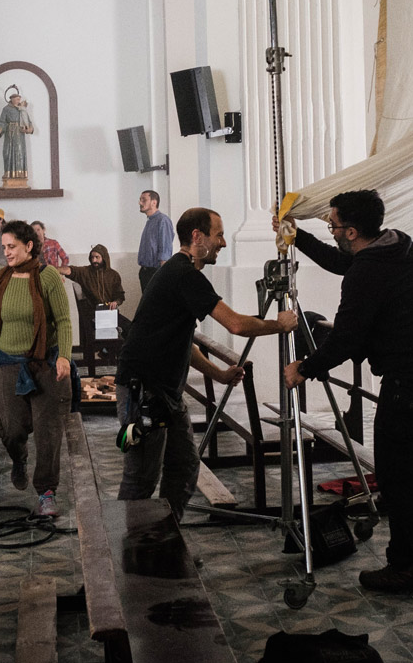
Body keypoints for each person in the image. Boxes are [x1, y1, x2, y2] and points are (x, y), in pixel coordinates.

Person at [280, 189, 413, 594]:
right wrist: (299, 237)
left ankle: (404, 565)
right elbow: (346, 261)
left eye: (334, 225)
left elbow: (346, 339)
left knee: (395, 477)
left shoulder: (371, 269)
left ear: (354, 230)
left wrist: (303, 369)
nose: (332, 230)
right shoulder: (396, 245)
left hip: (412, 383)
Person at [116, 207, 297, 521]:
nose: (223, 243)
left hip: (165, 393)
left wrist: (219, 374)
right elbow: (236, 325)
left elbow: (181, 342)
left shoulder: (183, 273)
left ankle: (163, 538)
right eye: (219, 235)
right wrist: (279, 325)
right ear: (196, 237)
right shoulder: (183, 274)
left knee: (184, 467)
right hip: (143, 391)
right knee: (141, 477)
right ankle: (125, 555)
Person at [0, 220, 73, 517]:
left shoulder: (48, 276)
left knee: (48, 431)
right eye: (4, 248)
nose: (6, 253)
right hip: (5, 363)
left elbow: (64, 321)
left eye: (11, 247)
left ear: (29, 246)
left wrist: (64, 356)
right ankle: (19, 458)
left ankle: (46, 492)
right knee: (12, 430)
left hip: (44, 363)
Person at [57, 244, 124, 314]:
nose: (94, 260)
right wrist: (54, 270)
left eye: (97, 257)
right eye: (92, 257)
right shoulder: (85, 272)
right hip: (92, 315)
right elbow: (69, 270)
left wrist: (115, 302)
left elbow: (120, 296)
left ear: (104, 258)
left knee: (130, 325)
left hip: (110, 312)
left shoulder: (113, 275)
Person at [136, 189, 173, 295]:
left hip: (155, 272)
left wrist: (162, 276)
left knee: (156, 307)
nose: (140, 203)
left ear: (154, 202)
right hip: (146, 272)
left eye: (144, 200)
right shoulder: (150, 221)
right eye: (140, 200)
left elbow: (165, 251)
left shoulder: (163, 220)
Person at [0, 88, 34, 183]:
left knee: (20, 152)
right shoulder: (6, 109)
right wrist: (0, 129)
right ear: (11, 99)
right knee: (7, 152)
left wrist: (30, 128)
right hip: (10, 133)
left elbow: (28, 122)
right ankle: (8, 173)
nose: (18, 101)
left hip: (20, 134)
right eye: (17, 99)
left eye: (19, 99)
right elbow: (2, 121)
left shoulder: (22, 109)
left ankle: (20, 175)